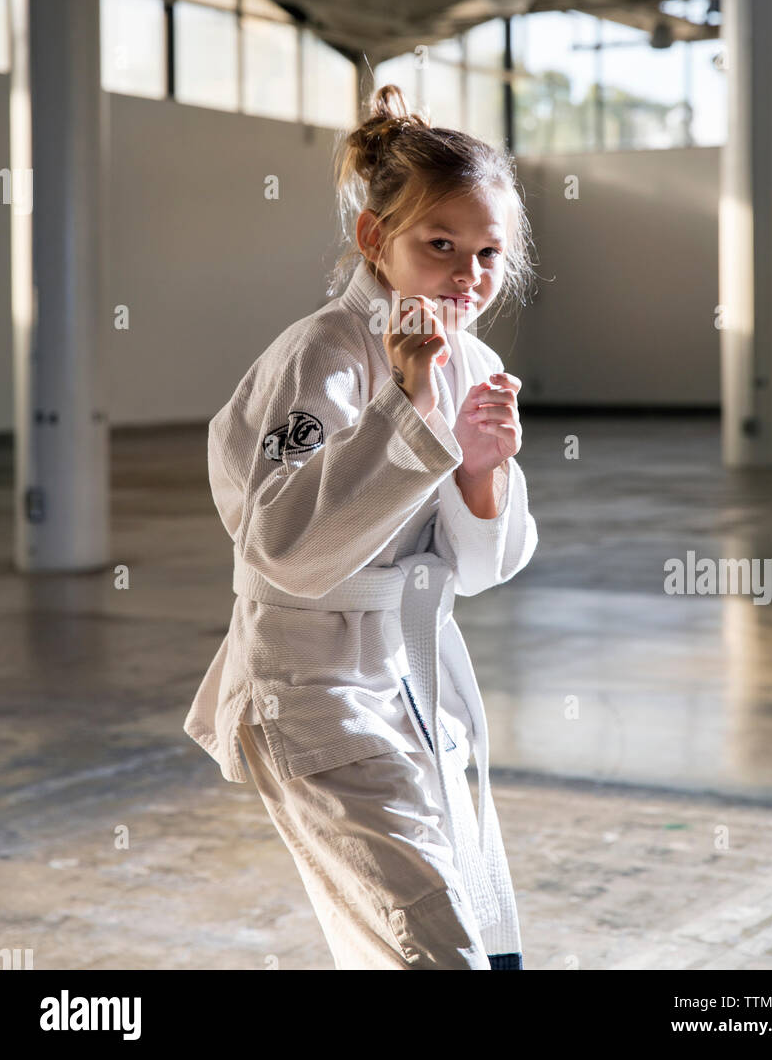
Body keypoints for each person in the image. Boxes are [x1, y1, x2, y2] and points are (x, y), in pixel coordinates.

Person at [184, 83, 539, 970]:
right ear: (375, 239)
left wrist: (485, 471)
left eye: (489, 254)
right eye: (441, 246)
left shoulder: (478, 358)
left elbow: (481, 565)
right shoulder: (321, 352)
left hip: (410, 678)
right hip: (311, 685)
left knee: (419, 937)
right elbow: (283, 545)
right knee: (432, 941)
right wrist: (413, 407)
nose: (468, 276)